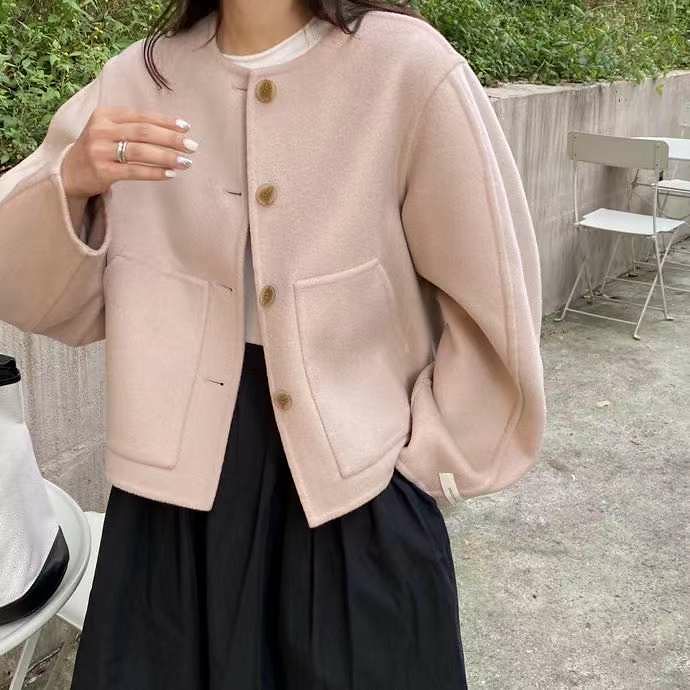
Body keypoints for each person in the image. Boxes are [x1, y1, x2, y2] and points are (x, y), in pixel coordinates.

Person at [0, 1, 547, 688]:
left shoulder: (407, 67)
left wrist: (430, 460)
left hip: (356, 495)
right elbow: (30, 287)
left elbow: (492, 293)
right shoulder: (139, 79)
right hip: (169, 509)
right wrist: (73, 180)